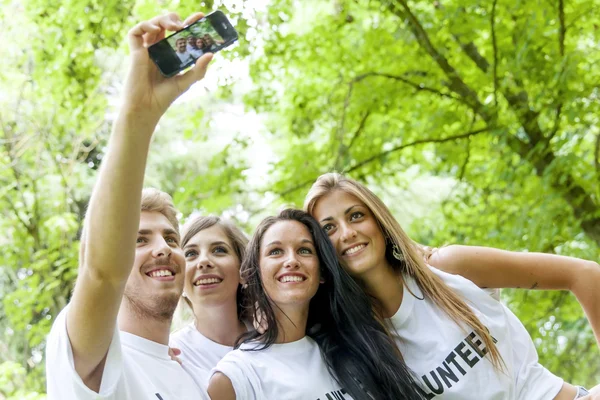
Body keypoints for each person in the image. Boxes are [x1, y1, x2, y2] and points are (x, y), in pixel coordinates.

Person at [305, 172, 600, 400]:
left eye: (356, 216)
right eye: (328, 228)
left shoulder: (446, 269)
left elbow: (584, 274)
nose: (347, 233)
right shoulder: (358, 340)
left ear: (379, 221)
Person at [45, 12, 214, 399]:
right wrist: (138, 115)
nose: (163, 249)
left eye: (172, 239)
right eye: (139, 240)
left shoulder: (193, 376)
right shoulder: (91, 357)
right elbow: (102, 273)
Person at [207, 209, 424, 399]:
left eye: (304, 250)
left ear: (321, 272)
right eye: (275, 252)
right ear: (253, 272)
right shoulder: (236, 376)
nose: (291, 260)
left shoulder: (354, 346)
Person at [170, 215, 248, 389]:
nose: (203, 261)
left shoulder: (274, 337)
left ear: (243, 269)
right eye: (191, 254)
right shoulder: (171, 355)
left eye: (219, 250)